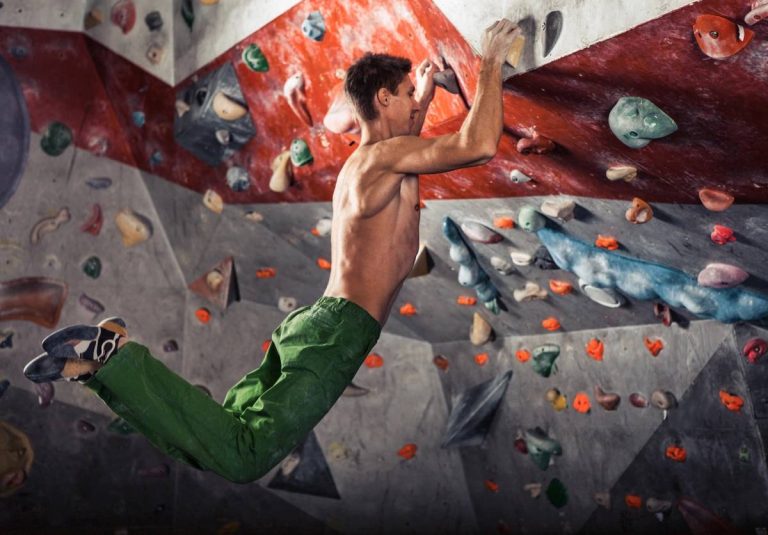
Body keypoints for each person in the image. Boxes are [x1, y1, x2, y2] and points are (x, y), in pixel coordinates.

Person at [22, 19, 521, 483]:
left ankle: (100, 369)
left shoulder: (371, 165)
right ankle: (115, 360)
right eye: (408, 94)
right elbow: (476, 145)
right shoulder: (381, 161)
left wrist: (427, 94)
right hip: (337, 331)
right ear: (384, 97)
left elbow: (406, 152)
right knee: (243, 458)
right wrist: (493, 60)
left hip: (322, 323)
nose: (416, 101)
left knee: (219, 435)